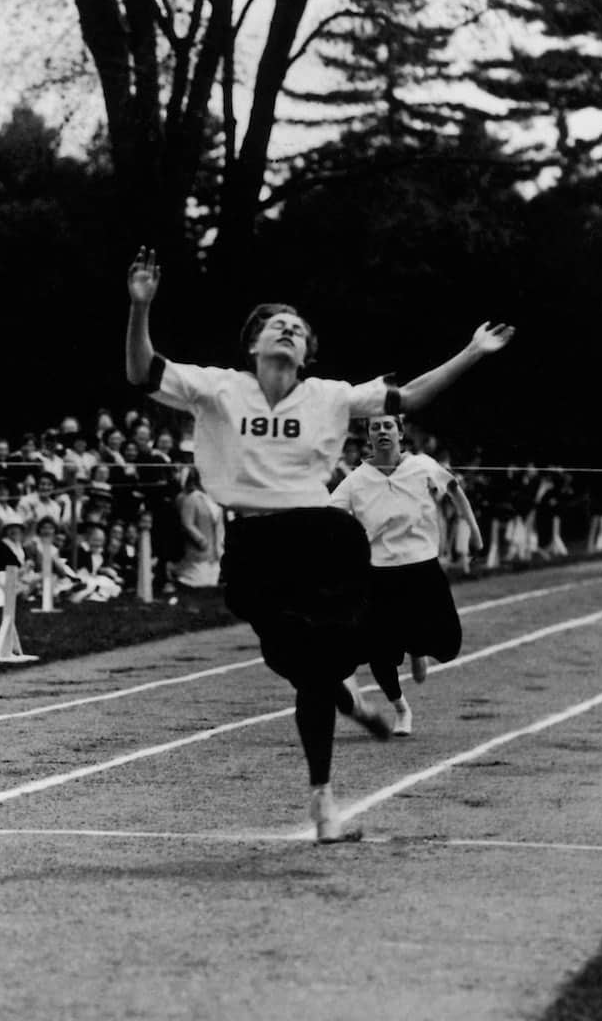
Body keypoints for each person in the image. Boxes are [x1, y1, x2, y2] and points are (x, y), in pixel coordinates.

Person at [122, 246, 513, 842]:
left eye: (299, 329)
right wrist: (140, 308)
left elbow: (407, 397)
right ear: (254, 344)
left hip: (320, 538)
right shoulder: (219, 389)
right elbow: (141, 371)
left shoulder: (328, 396)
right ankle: (347, 700)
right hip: (254, 542)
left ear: (307, 353)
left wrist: (473, 353)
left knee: (314, 665)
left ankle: (324, 804)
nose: (289, 329)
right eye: (277, 324)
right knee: (294, 659)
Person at [328, 412, 481, 736]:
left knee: (448, 646)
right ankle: (401, 709)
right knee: (379, 652)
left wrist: (474, 532)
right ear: (368, 437)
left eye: (388, 426)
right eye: (375, 427)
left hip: (423, 567)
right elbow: (328, 516)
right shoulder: (356, 479)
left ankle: (417, 648)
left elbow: (455, 490)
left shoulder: (422, 465)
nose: (382, 431)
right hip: (379, 574)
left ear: (400, 433)